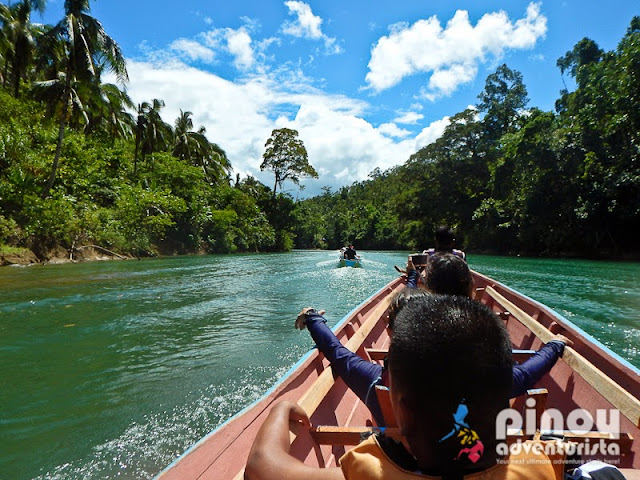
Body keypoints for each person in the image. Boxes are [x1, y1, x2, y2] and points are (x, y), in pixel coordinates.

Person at [246, 295, 565, 480]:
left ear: (406, 413)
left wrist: (281, 408)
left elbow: (261, 466)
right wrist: (554, 346)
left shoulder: (366, 470)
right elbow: (533, 369)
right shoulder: (542, 462)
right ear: (504, 402)